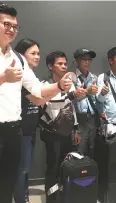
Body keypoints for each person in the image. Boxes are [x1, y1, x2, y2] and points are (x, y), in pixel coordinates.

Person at [0, 3, 72, 203]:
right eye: (6, 24)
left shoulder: (18, 58)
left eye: (14, 26)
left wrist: (59, 86)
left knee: (9, 185)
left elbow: (37, 90)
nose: (11, 30)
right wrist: (3, 78)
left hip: (14, 129)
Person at [39, 51, 82, 203]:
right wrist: (72, 95)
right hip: (52, 134)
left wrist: (76, 128)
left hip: (68, 133)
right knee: (53, 167)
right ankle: (51, 199)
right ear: (50, 66)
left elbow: (71, 108)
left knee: (68, 165)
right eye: (60, 64)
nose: (64, 66)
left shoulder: (70, 85)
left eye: (65, 63)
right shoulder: (44, 86)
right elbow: (52, 103)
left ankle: (66, 196)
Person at [13, 38, 42, 203]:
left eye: (38, 53)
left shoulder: (31, 75)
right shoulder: (20, 76)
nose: (37, 56)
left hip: (30, 129)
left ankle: (24, 198)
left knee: (25, 169)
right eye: (33, 53)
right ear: (21, 56)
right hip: (21, 129)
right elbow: (39, 98)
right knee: (22, 169)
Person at [72, 48, 100, 158]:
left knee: (93, 149)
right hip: (79, 119)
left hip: (93, 118)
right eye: (84, 59)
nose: (87, 62)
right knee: (79, 150)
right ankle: (79, 174)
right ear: (76, 61)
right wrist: (87, 91)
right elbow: (70, 99)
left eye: (89, 59)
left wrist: (102, 94)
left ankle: (91, 173)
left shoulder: (94, 78)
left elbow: (98, 100)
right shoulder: (71, 77)